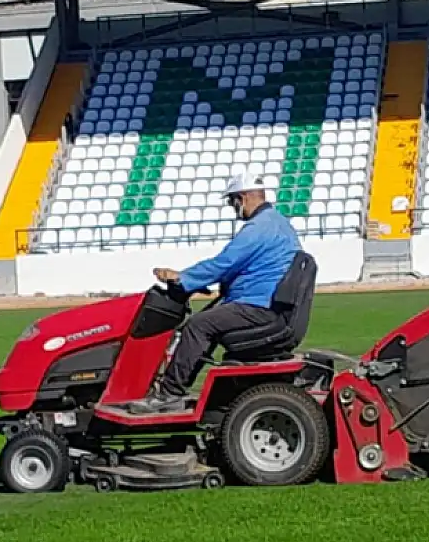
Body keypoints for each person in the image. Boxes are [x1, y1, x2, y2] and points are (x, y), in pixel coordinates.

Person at [128, 173, 302, 414]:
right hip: (264, 303)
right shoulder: (278, 223)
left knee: (198, 326)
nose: (233, 208)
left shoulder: (258, 229)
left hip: (257, 305)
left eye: (232, 202)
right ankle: (175, 388)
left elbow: (224, 263)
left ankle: (169, 394)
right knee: (210, 321)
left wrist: (183, 278)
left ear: (242, 198)